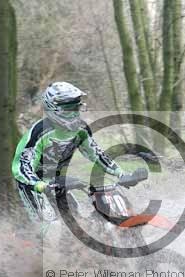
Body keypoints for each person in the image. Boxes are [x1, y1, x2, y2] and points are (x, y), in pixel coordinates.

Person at [12, 82, 125, 225]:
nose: (74, 113)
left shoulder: (81, 129)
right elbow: (22, 166)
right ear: (53, 108)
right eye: (68, 108)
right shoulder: (40, 132)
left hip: (58, 182)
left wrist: (121, 173)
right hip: (33, 185)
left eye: (76, 107)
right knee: (52, 226)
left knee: (77, 221)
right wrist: (39, 185)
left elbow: (96, 154)